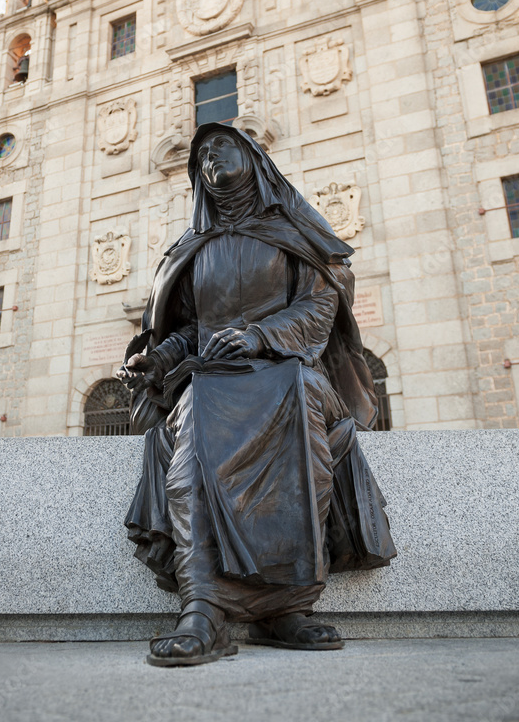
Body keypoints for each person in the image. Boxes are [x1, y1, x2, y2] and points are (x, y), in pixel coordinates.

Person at [121, 123, 396, 667]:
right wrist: (158, 359)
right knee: (196, 411)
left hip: (290, 369)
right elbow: (187, 330)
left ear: (253, 159)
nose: (207, 160)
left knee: (295, 405)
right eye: (199, 157)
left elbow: (320, 309)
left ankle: (287, 606)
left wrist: (259, 336)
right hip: (212, 379)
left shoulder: (294, 233)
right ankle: (201, 608)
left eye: (219, 148)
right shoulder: (193, 249)